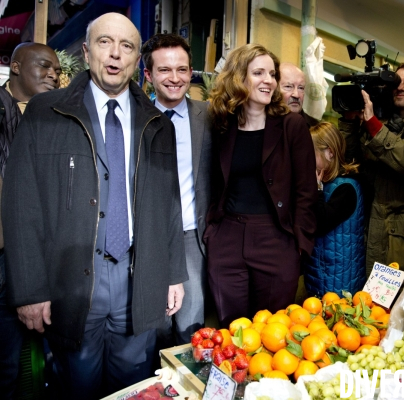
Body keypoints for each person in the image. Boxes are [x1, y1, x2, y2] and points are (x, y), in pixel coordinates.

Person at [2, 13, 187, 399]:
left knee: (134, 385)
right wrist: (30, 289)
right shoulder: (45, 112)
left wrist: (173, 273)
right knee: (79, 385)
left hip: (139, 278)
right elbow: (21, 205)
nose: (115, 54)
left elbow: (168, 205)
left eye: (127, 46)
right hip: (73, 279)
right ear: (87, 52)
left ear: (138, 60)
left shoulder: (158, 124)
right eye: (105, 42)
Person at [205, 43, 317, 327]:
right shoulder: (221, 124)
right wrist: (213, 231)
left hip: (276, 239)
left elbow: (306, 192)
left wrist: (299, 245)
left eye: (272, 74)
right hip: (227, 237)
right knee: (231, 329)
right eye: (258, 73)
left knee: (272, 332)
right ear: (239, 78)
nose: (269, 80)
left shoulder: (292, 126)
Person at [340, 62, 404, 275]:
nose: (401, 87)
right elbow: (349, 161)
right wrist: (350, 123)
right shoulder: (378, 122)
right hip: (368, 226)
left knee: (395, 301)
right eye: (397, 82)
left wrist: (374, 127)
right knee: (364, 300)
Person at [141, 33, 211, 346]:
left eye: (182, 69)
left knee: (191, 328)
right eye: (165, 70)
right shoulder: (133, 119)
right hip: (148, 239)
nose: (175, 78)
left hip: (193, 238)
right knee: (152, 328)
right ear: (148, 75)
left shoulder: (209, 117)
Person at [0, 42, 61, 400]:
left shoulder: (52, 116)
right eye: (43, 65)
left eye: (56, 68)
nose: (52, 73)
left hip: (45, 258)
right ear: (16, 67)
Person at [305, 122, 365, 297]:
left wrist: (315, 190)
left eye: (310, 154)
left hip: (339, 283)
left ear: (330, 153)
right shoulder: (325, 183)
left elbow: (321, 222)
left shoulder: (346, 188)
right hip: (320, 274)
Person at [279, 62, 319, 127]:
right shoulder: (262, 123)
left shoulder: (314, 127)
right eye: (288, 87)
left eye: (301, 88)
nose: (296, 95)